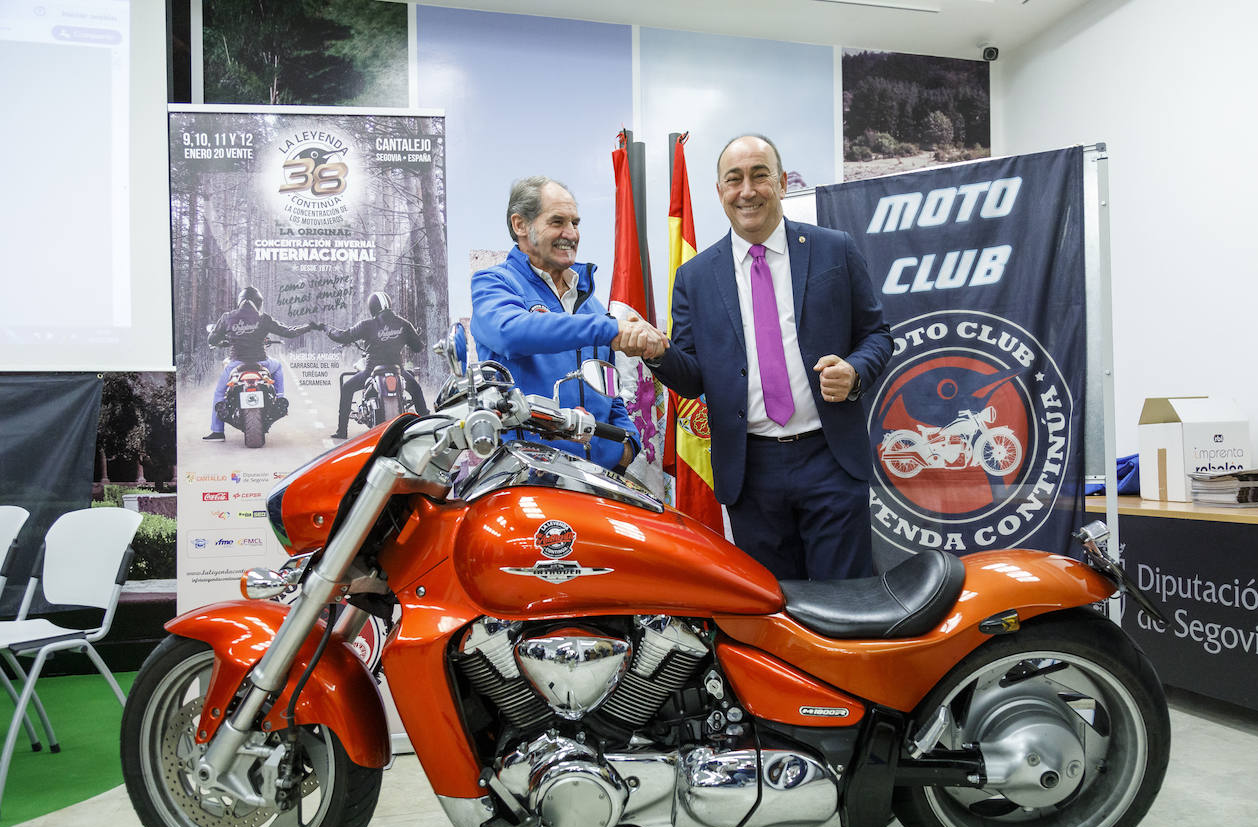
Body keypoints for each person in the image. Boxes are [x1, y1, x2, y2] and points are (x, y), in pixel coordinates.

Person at [648, 135, 894, 580]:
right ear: (719, 191)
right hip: (750, 471)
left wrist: (855, 371)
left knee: (846, 602)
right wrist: (659, 354)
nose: (747, 191)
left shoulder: (834, 249)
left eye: (759, 175)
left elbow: (876, 335)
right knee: (773, 604)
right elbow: (693, 378)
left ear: (781, 182)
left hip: (831, 459)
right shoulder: (694, 277)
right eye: (734, 179)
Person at [470, 176, 665, 471]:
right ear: (520, 225)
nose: (571, 234)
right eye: (557, 222)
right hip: (528, 478)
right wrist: (611, 328)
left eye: (575, 223)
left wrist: (627, 445)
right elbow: (510, 333)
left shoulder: (592, 306)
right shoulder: (494, 283)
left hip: (596, 482)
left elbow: (609, 391)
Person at [204, 285, 321, 441]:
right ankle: (279, 398)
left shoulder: (228, 317)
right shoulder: (264, 318)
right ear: (258, 302)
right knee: (278, 366)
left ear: (240, 301)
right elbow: (288, 332)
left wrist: (222, 340)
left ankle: (218, 432)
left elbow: (212, 339)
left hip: (236, 364)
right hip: (262, 362)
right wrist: (308, 327)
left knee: (219, 393)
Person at [327, 291, 429, 439]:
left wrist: (326, 329)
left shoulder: (366, 325)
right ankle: (426, 426)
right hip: (398, 370)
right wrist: (413, 338)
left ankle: (342, 431)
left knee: (347, 387)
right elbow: (418, 348)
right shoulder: (404, 324)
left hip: (371, 371)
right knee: (416, 389)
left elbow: (343, 336)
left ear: (372, 307)